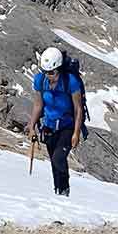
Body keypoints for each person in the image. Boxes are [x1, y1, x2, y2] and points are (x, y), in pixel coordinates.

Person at [26, 46, 84, 197]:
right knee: (54, 162)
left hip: (67, 127)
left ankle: (64, 190)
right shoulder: (40, 81)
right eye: (45, 72)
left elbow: (78, 109)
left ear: (59, 69)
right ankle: (58, 192)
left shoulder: (70, 81)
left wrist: (76, 133)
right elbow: (38, 105)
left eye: (51, 72)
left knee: (59, 158)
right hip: (49, 126)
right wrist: (31, 126)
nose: (48, 76)